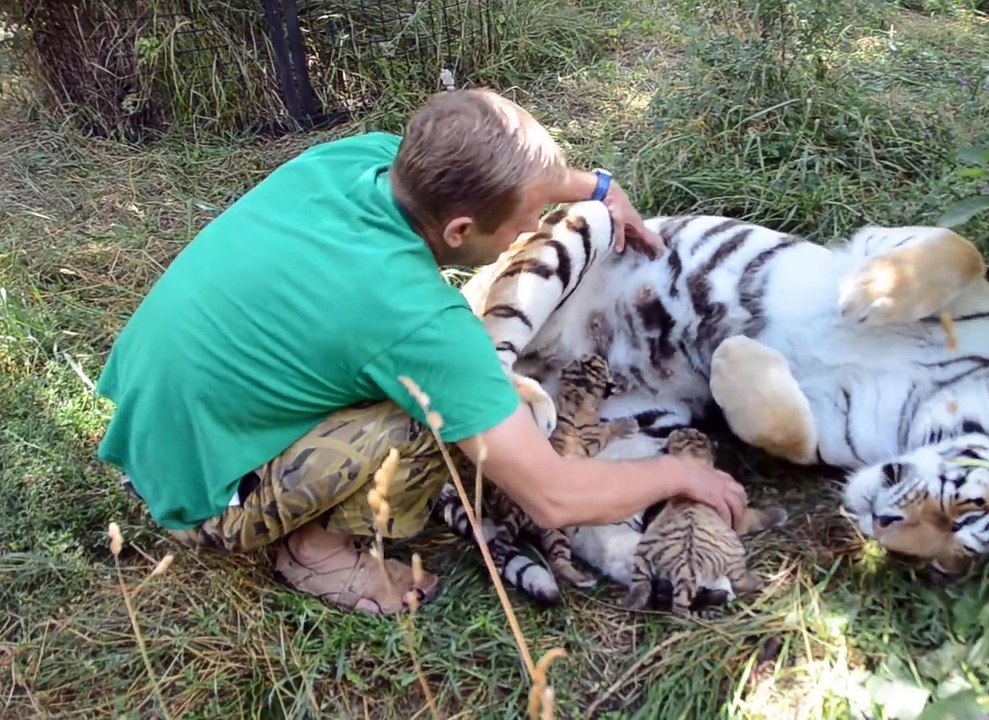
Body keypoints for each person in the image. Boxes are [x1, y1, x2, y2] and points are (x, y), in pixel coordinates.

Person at [94, 88, 747, 615]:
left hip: (146, 430)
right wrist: (680, 476)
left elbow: (507, 170)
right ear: (461, 230)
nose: (534, 228)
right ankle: (315, 552)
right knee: (446, 413)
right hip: (203, 500)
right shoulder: (423, 327)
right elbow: (553, 497)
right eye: (526, 219)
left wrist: (596, 189)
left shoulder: (361, 160)